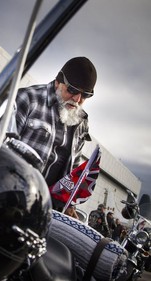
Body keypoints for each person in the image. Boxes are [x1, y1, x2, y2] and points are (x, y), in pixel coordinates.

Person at [14, 57, 97, 210]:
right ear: (58, 81)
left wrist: (69, 205)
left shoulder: (81, 122)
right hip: (12, 195)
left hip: (47, 208)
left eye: (85, 95)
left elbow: (73, 171)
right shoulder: (28, 99)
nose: (77, 99)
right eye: (72, 90)